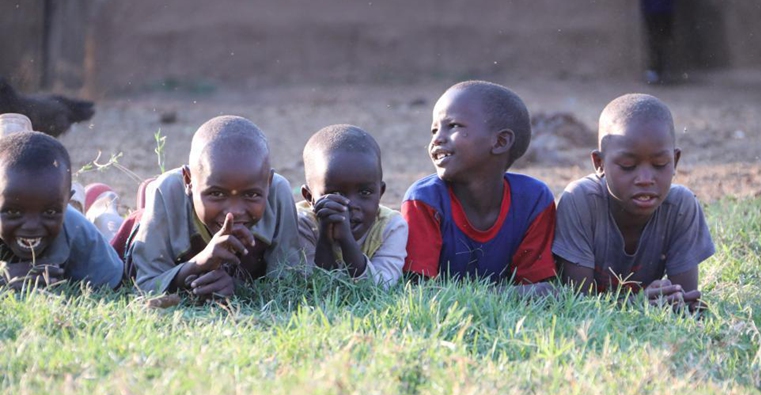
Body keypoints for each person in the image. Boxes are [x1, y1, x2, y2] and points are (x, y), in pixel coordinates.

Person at [553, 93, 715, 311]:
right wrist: (638, 305)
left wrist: (679, 304)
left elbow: (684, 301)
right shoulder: (581, 201)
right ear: (599, 163)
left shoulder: (680, 207)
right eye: (628, 166)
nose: (645, 179)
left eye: (659, 164)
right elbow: (576, 303)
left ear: (675, 161)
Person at [402, 80, 556, 294]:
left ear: (500, 141)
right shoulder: (424, 200)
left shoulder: (533, 200)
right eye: (434, 130)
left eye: (453, 125)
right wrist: (507, 294)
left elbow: (539, 289)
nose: (436, 139)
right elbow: (418, 291)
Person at [128, 115, 302, 297]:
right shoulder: (166, 191)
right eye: (216, 194)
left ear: (268, 182)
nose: (234, 213)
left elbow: (289, 284)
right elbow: (144, 285)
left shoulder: (278, 193)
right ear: (188, 180)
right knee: (121, 221)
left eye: (251, 195)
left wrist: (237, 288)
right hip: (153, 216)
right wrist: (198, 264)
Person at [0, 131, 123, 289]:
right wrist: (6, 277)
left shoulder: (82, 236)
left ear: (66, 202)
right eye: (13, 212)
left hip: (82, 228)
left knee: (111, 232)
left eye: (49, 212)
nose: (31, 226)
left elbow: (116, 284)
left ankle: (104, 209)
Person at [297, 124, 407, 286]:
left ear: (380, 192)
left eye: (365, 193)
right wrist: (325, 240)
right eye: (336, 194)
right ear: (310, 198)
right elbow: (314, 285)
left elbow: (381, 286)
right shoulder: (302, 224)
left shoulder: (390, 227)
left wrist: (346, 240)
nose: (351, 205)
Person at [641, 0, 676, 85]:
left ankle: (661, 70)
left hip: (663, 10)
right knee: (655, 41)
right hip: (653, 10)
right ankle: (656, 70)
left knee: (662, 40)